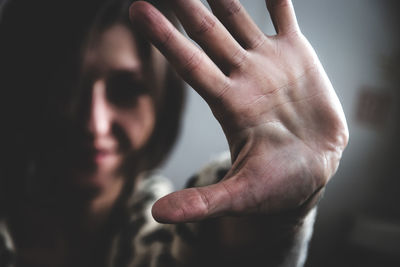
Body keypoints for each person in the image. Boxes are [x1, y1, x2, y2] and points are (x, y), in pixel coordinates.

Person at [0, 0, 349, 266]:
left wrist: (275, 217)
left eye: (127, 90)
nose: (95, 124)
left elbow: (222, 246)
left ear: (161, 103)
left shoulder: (173, 238)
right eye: (67, 85)